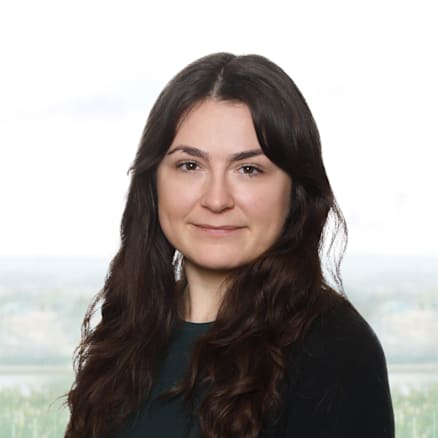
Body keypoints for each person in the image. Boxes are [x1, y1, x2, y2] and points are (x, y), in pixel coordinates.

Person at [64, 52, 395, 437]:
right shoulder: (127, 330)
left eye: (248, 169)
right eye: (190, 165)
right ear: (153, 183)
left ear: (296, 192)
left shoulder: (336, 351)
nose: (216, 199)